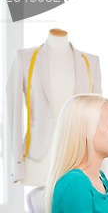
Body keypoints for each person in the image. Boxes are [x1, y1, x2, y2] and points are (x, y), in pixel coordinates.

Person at [5, 28, 102, 186]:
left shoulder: (90, 62)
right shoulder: (25, 58)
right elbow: (13, 112)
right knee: (40, 207)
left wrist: (97, 163)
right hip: (38, 156)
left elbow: (98, 116)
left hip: (78, 156)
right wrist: (17, 162)